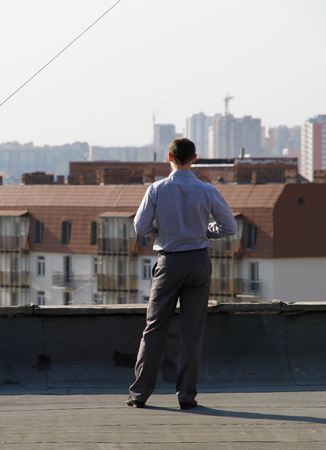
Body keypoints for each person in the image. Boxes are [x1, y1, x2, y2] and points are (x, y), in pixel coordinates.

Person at [127, 137, 236, 410]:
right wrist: (205, 231)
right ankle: (186, 396)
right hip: (199, 263)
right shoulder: (206, 190)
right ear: (194, 158)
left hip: (169, 263)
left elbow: (140, 227)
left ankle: (139, 394)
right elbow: (229, 227)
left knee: (154, 330)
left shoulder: (157, 189)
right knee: (192, 333)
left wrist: (161, 231)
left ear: (169, 156)